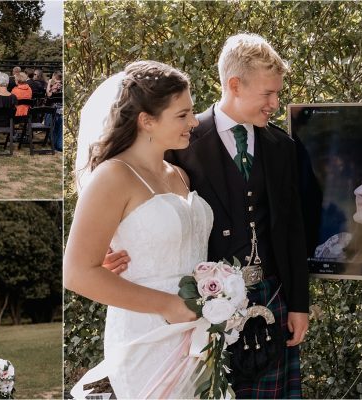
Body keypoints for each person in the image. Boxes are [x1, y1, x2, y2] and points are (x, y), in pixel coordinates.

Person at [103, 34, 310, 398]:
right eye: (268, 94)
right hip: (205, 306)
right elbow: (139, 197)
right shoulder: (181, 140)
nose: (275, 103)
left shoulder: (282, 147)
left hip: (273, 295)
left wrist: (298, 304)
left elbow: (293, 229)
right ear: (235, 85)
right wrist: (109, 244)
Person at [66, 60, 208, 398]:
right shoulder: (113, 177)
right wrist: (170, 305)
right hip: (146, 335)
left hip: (198, 334)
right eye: (182, 114)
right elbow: (76, 273)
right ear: (147, 121)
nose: (194, 122)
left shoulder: (179, 174)